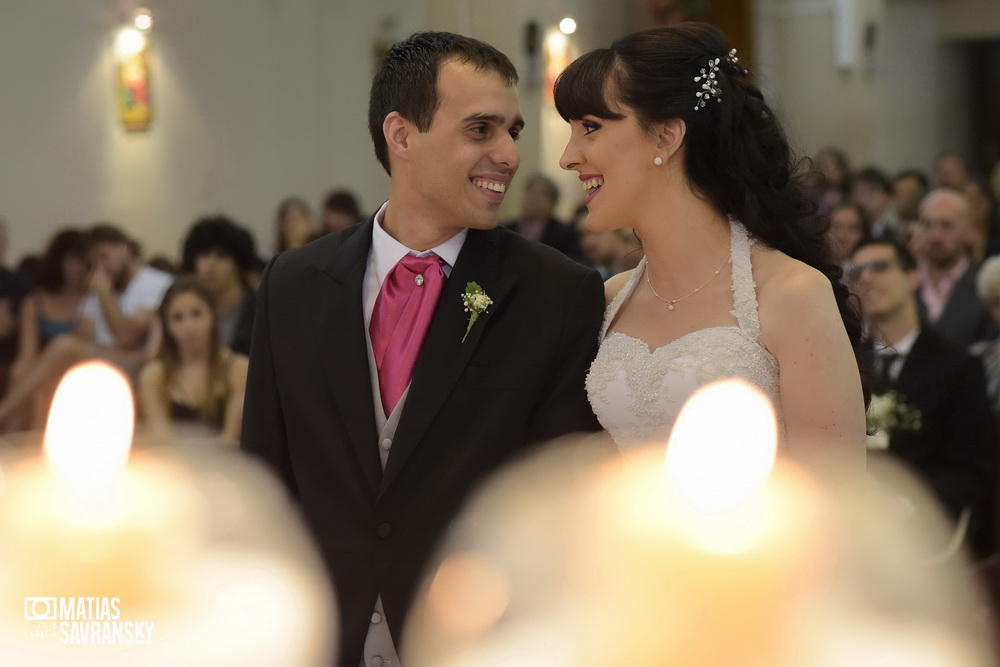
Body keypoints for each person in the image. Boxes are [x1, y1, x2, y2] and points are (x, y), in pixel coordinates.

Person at [241, 31, 604, 667]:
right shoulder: (294, 283)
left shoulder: (557, 293)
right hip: (324, 638)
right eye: (481, 130)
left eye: (511, 131)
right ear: (402, 135)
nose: (509, 155)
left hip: (476, 642)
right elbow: (267, 484)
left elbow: (553, 506)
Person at [555, 23, 867, 477]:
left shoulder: (791, 294)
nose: (568, 156)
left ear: (665, 136)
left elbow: (836, 498)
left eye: (590, 128)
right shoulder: (610, 299)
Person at [850, 239, 995, 558]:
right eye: (857, 270)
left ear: (913, 277)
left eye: (879, 267)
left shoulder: (957, 366)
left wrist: (907, 506)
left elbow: (971, 469)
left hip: (923, 532)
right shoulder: (846, 362)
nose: (867, 278)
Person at [0, 224, 173, 428]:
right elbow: (83, 338)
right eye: (93, 263)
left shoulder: (154, 283)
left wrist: (104, 294)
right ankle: (17, 444)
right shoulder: (101, 286)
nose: (99, 268)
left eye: (104, 257)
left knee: (64, 345)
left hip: (140, 365)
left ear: (124, 249)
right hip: (111, 358)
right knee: (47, 378)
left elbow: (127, 336)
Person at [137, 276, 247, 444]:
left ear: (213, 314)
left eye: (196, 314)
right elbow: (162, 439)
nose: (188, 326)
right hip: (174, 466)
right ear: (166, 325)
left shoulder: (238, 368)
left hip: (228, 466)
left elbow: (231, 439)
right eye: (177, 318)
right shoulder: (154, 375)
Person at [9, 228, 89, 430]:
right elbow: (27, 353)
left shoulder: (92, 300)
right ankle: (11, 439)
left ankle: (5, 417)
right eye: (73, 260)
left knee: (45, 385)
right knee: (20, 372)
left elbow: (87, 346)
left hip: (76, 369)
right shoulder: (36, 302)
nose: (79, 268)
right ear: (58, 260)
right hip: (41, 368)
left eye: (84, 261)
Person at [915, 188, 997, 348]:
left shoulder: (987, 284)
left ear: (971, 231)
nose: (935, 235)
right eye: (927, 225)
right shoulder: (904, 281)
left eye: (946, 226)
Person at [180, 215, 258, 355]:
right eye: (204, 255)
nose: (211, 264)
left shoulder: (261, 311)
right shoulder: (185, 312)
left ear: (238, 264)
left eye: (222, 256)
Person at [504, 173, 584, 262]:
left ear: (553, 203)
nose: (533, 198)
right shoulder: (506, 229)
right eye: (530, 191)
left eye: (541, 194)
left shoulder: (566, 234)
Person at [826, 201, 870, 271]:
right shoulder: (813, 269)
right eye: (836, 226)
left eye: (852, 228)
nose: (842, 235)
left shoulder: (870, 271)